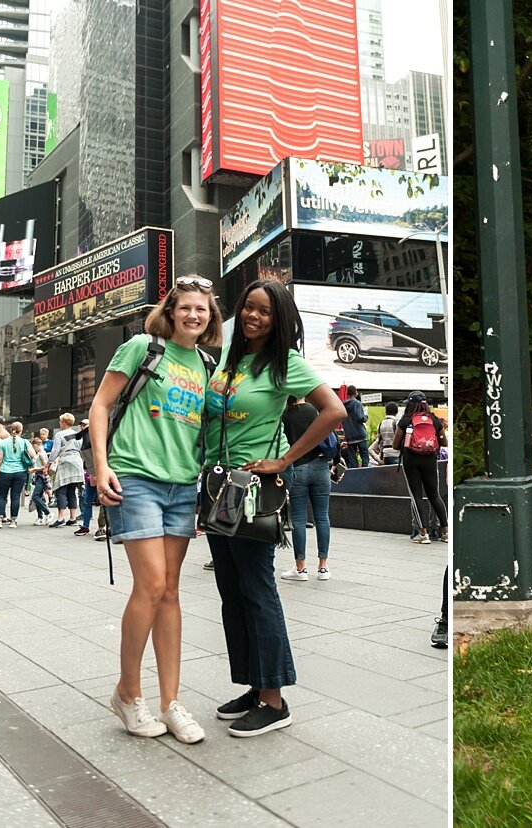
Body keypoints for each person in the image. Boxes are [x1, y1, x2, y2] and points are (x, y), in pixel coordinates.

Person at [202, 279, 346, 738]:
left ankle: (275, 699)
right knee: (232, 591)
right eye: (248, 307)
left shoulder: (286, 364)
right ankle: (253, 684)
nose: (253, 316)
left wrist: (283, 460)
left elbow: (334, 411)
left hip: (251, 489)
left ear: (278, 319)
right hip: (217, 487)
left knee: (257, 588)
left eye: (264, 311)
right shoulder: (229, 359)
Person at [85, 276, 222, 744]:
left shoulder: (207, 363)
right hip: (135, 477)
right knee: (152, 584)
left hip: (183, 484)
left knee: (171, 592)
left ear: (210, 317)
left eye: (201, 310)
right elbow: (101, 406)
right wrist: (101, 466)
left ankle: (171, 702)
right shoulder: (144, 346)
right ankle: (128, 693)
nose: (193, 316)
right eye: (185, 308)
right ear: (170, 310)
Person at [279, 396, 334, 580]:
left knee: (298, 519)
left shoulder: (284, 414)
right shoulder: (314, 410)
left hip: (297, 468)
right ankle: (323, 567)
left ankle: (301, 568)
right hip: (320, 466)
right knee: (322, 517)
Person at [398, 392, 448, 543]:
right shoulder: (434, 420)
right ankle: (445, 532)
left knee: (417, 496)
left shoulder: (406, 420)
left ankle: (423, 534)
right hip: (430, 460)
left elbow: (395, 444)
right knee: (434, 495)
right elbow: (444, 442)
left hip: (411, 460)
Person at [0, 422, 35, 528]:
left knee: (1, 496)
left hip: (5, 472)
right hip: (20, 472)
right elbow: (33, 455)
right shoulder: (25, 442)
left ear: (11, 429)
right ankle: (13, 521)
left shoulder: (3, 443)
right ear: (21, 430)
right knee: (15, 497)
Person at [48, 413, 84, 528]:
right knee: (72, 491)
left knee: (61, 490)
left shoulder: (59, 435)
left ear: (63, 422)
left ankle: (61, 517)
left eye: (60, 421)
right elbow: (81, 449)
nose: (59, 423)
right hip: (77, 461)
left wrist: (49, 463)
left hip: (65, 462)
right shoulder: (78, 434)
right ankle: (73, 518)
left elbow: (55, 451)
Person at [339, 385, 369, 467]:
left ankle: (354, 474)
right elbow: (360, 418)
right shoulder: (357, 403)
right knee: (364, 456)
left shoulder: (342, 405)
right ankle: (365, 473)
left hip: (349, 435)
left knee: (352, 457)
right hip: (360, 434)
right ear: (356, 393)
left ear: (347, 393)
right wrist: (366, 415)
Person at [28, 437, 51, 524]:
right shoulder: (40, 453)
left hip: (41, 477)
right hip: (39, 477)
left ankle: (47, 512)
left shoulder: (41, 454)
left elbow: (45, 466)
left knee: (35, 496)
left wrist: (34, 469)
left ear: (35, 445)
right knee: (39, 496)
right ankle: (40, 517)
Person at [375, 401, 401, 465]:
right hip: (396, 454)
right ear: (396, 412)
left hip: (385, 455)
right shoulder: (397, 423)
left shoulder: (380, 424)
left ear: (385, 411)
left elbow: (380, 442)